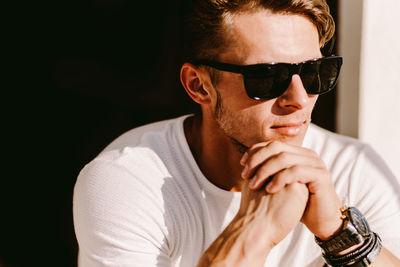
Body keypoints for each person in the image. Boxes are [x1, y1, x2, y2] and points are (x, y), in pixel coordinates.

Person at [73, 0, 400, 266]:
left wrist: (337, 233)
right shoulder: (127, 179)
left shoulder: (354, 169)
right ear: (198, 85)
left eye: (316, 72)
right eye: (267, 77)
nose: (299, 99)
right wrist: (255, 231)